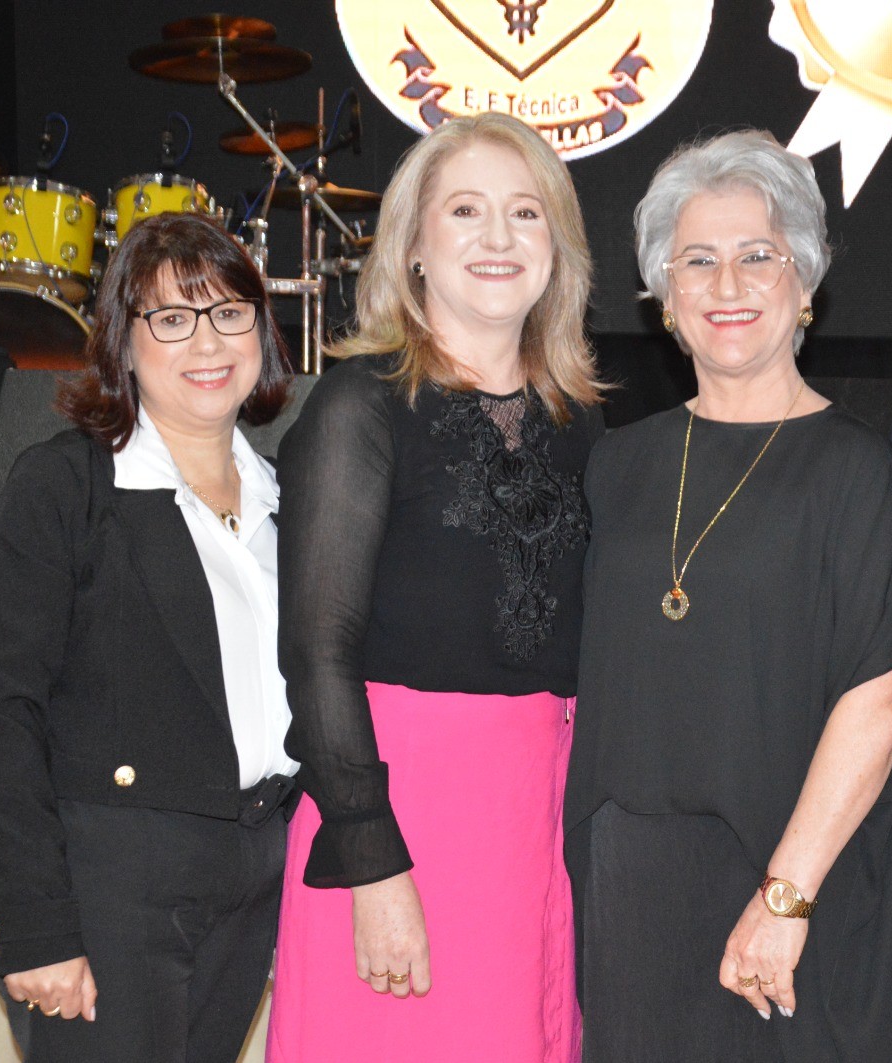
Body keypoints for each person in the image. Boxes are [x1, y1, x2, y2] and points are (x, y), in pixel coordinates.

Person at [564, 129, 892, 1063]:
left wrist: (786, 897)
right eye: (697, 260)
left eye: (757, 256)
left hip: (794, 883)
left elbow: (886, 693)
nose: (727, 285)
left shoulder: (855, 469)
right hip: (633, 897)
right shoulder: (617, 463)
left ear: (804, 283)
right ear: (664, 296)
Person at [267, 111, 605, 1062]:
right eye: (465, 210)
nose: (499, 237)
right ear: (413, 245)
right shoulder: (359, 405)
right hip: (395, 814)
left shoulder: (581, 423)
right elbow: (317, 652)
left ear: (557, 248)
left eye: (526, 213)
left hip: (537, 822)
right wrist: (371, 860)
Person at [0, 211, 298, 1063]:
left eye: (229, 312)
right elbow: (2, 718)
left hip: (251, 879)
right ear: (124, 338)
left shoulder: (286, 497)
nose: (207, 342)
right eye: (173, 318)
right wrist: (36, 926)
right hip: (112, 887)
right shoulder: (64, 486)